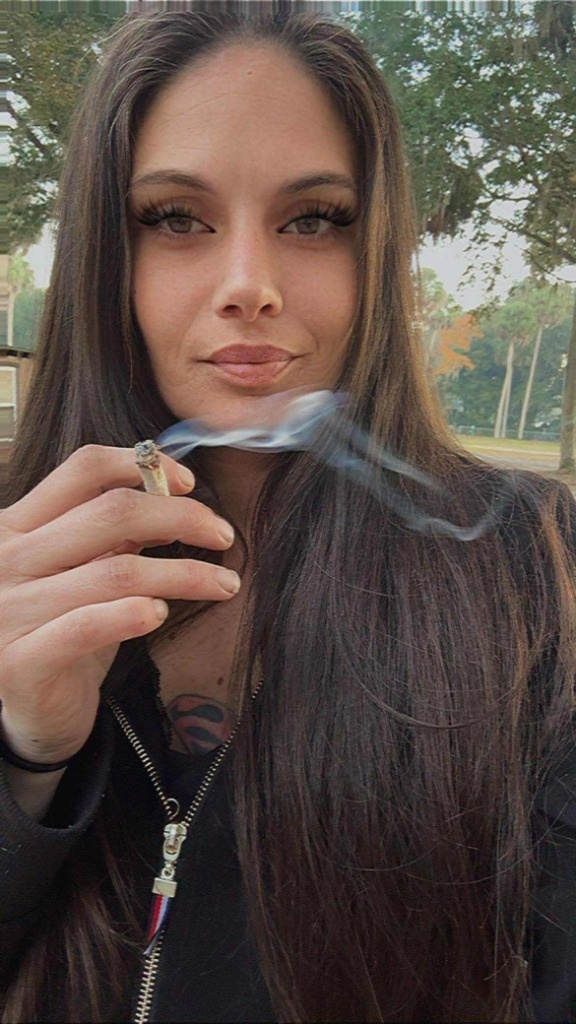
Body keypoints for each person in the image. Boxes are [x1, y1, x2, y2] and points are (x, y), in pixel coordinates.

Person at [1, 4, 576, 1022]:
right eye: (176, 217)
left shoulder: (534, 572)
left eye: (313, 219)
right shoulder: (16, 549)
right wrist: (27, 761)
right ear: (103, 253)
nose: (249, 286)